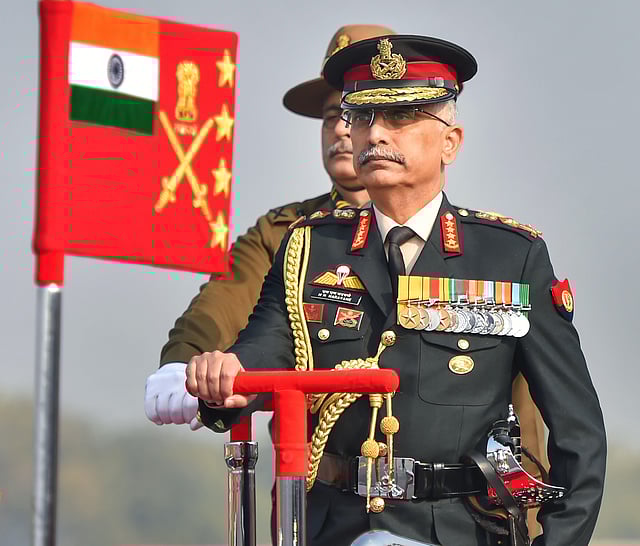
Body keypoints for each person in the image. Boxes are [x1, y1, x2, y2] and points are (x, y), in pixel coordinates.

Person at [186, 34, 606, 546]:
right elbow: (263, 349)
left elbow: (578, 433)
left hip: (458, 531)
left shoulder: (511, 257)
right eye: (363, 117)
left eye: (401, 116)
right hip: (333, 529)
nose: (375, 133)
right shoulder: (310, 247)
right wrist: (225, 374)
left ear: (451, 142)